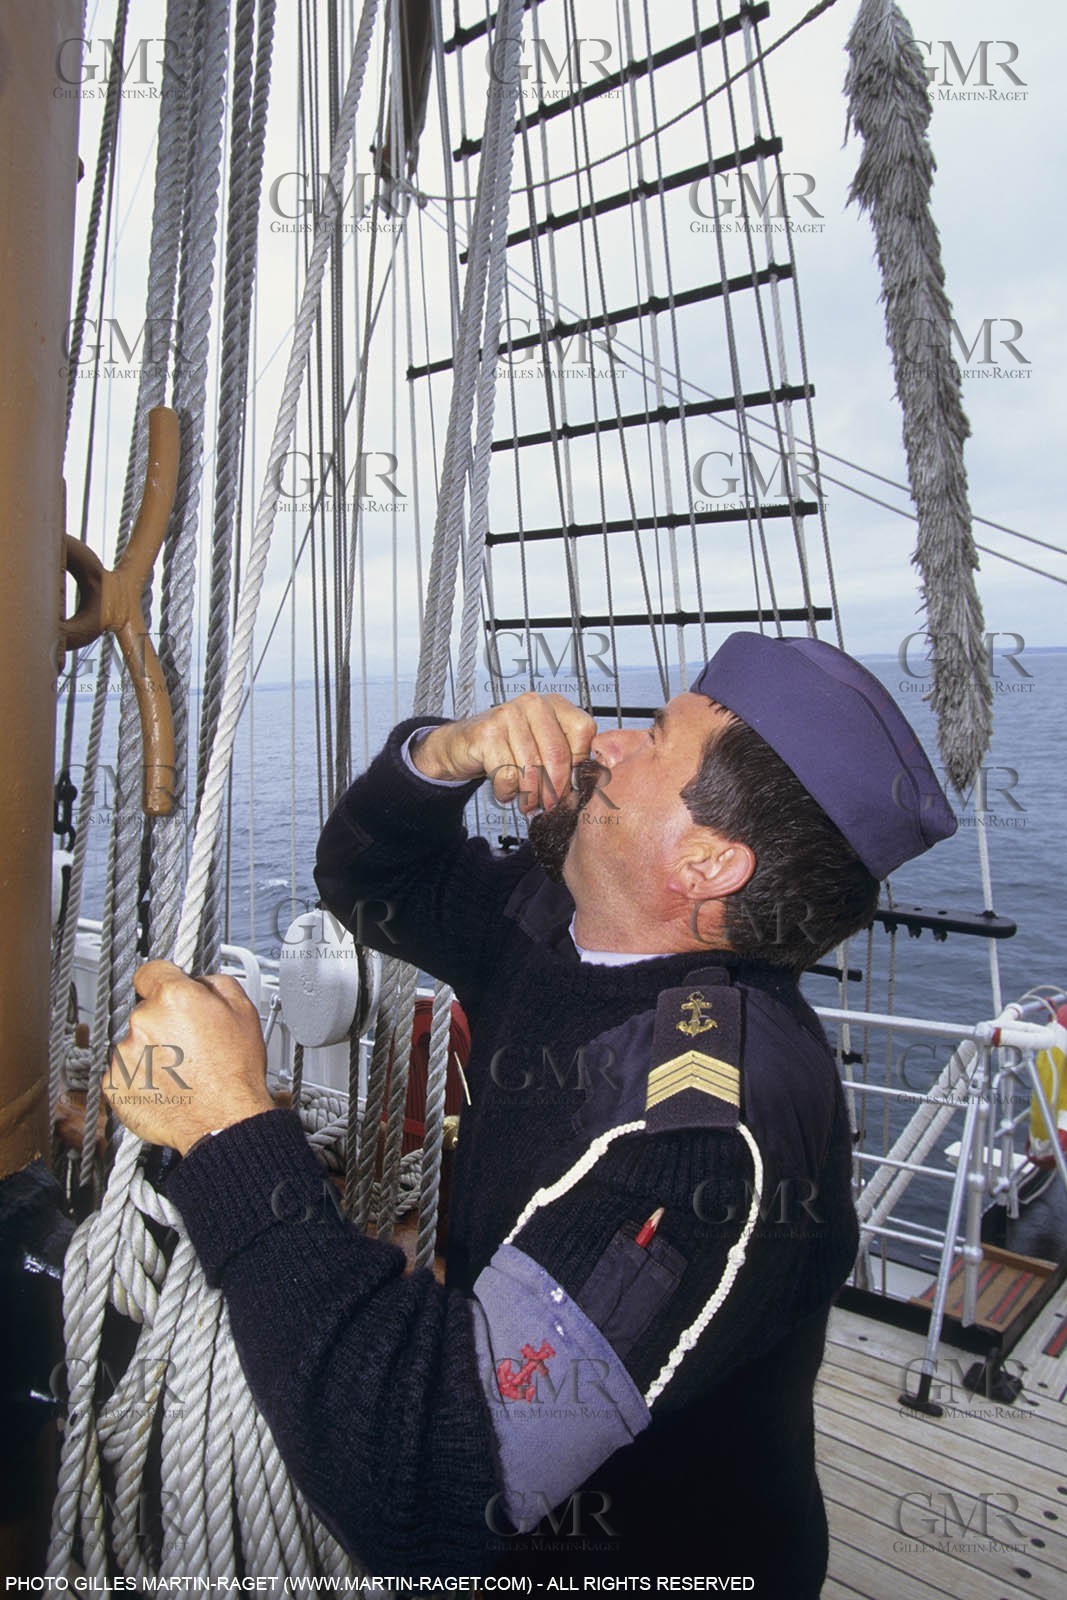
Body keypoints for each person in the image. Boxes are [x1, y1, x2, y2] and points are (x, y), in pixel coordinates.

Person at [108, 632, 957, 1592]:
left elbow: (426, 1483)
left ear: (710, 863)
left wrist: (229, 1136)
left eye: (656, 740)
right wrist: (445, 756)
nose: (609, 743)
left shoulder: (706, 1139)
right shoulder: (560, 926)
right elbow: (371, 883)